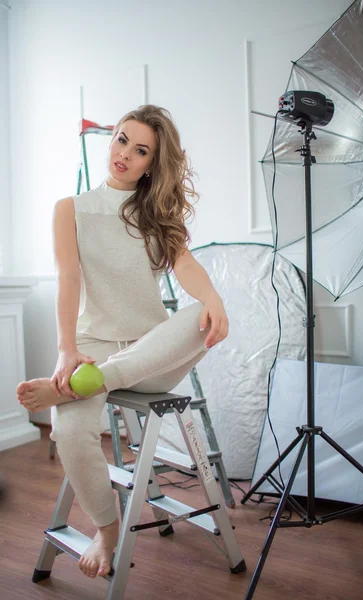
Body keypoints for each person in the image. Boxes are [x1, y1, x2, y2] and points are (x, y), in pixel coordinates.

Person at [16, 105, 229, 580]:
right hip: (92, 345)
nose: (125, 154)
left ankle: (89, 383)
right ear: (109, 140)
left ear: (152, 163)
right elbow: (68, 278)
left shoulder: (157, 212)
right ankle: (106, 531)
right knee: (69, 432)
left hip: (149, 351)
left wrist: (213, 298)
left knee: (198, 314)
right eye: (120, 140)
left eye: (140, 150)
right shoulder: (70, 209)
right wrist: (67, 349)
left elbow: (186, 265)